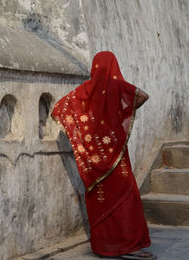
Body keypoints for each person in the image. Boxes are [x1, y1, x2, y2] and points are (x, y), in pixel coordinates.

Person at [51, 51, 156, 260]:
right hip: (116, 155)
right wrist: (122, 113)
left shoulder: (84, 91)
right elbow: (143, 95)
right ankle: (130, 246)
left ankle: (103, 247)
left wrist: (87, 133)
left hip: (94, 160)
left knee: (101, 200)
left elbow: (58, 109)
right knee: (126, 198)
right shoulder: (117, 86)